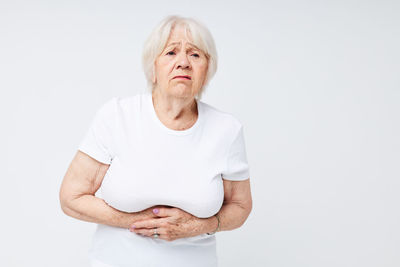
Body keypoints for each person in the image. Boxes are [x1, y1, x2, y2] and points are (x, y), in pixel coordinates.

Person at [59, 15, 252, 267]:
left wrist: (196, 226)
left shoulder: (226, 130)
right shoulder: (117, 116)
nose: (183, 62)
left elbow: (240, 206)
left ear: (207, 71)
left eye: (195, 55)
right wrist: (140, 221)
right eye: (171, 52)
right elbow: (71, 198)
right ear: (153, 68)